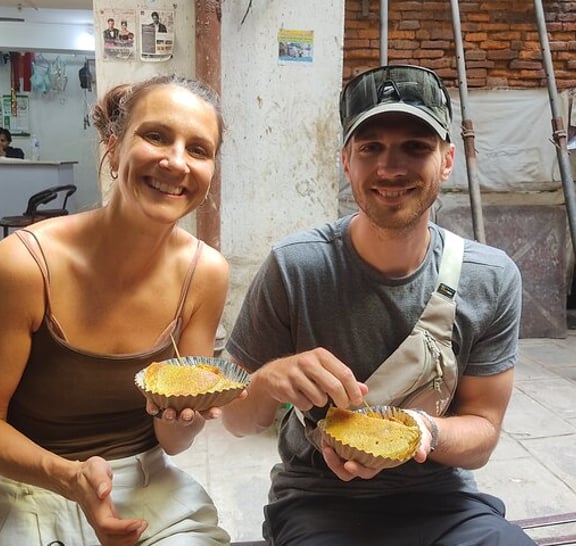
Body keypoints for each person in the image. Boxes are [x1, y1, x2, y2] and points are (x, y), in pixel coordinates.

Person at [222, 64, 537, 545]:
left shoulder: (490, 277)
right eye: (371, 148)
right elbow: (236, 419)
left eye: (416, 146)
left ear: (447, 160)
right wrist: (267, 381)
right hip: (317, 501)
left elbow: (483, 433)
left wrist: (422, 431)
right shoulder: (295, 267)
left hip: (445, 503)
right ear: (346, 161)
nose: (391, 168)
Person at [0, 75, 231, 545]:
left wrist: (180, 417)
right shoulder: (25, 264)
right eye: (156, 136)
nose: (176, 162)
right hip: (28, 483)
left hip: (148, 487)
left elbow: (173, 445)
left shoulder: (205, 273)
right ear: (113, 144)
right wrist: (70, 478)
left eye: (198, 149)